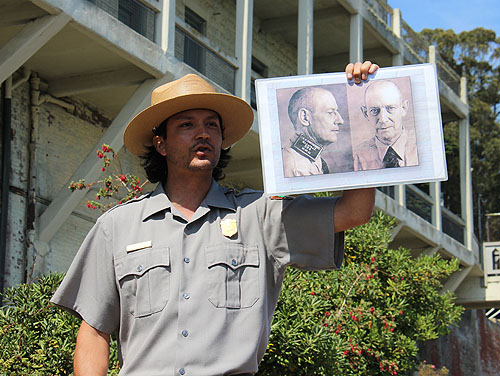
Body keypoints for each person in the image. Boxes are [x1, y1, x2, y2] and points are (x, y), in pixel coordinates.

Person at [51, 62, 378, 375]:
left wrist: (352, 104)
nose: (203, 133)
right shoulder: (116, 227)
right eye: (186, 125)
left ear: (222, 139)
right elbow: (94, 331)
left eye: (211, 125)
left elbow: (354, 212)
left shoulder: (259, 216)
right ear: (161, 144)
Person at [353, 79, 419, 171]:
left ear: (403, 108)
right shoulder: (358, 156)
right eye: (374, 110)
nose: (383, 119)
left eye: (390, 108)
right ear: (366, 113)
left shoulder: (421, 147)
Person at [282, 87, 343, 177]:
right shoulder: (296, 167)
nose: (340, 121)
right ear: (305, 117)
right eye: (330, 112)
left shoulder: (312, 160)